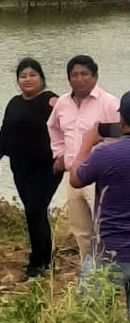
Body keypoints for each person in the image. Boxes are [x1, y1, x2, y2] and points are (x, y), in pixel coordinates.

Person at [0, 57, 62, 279]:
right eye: (23, 76)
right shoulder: (14, 103)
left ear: (41, 78)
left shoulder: (52, 101)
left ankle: (38, 263)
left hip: (47, 168)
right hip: (20, 168)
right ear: (17, 81)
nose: (28, 79)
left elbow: (69, 129)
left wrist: (64, 157)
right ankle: (44, 259)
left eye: (33, 75)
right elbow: (4, 132)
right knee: (34, 213)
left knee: (35, 210)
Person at [48, 55, 119, 261]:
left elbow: (121, 137)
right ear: (69, 78)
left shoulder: (108, 103)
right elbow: (53, 128)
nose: (79, 79)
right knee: (81, 231)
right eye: (74, 75)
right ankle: (88, 274)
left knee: (104, 229)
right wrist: (59, 155)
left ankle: (109, 272)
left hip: (100, 177)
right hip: (73, 175)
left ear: (95, 76)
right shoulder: (62, 103)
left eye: (84, 74)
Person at [70, 91, 130, 315]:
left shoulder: (105, 154)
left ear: (121, 120)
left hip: (108, 251)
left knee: (91, 319)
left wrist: (86, 144)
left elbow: (76, 179)